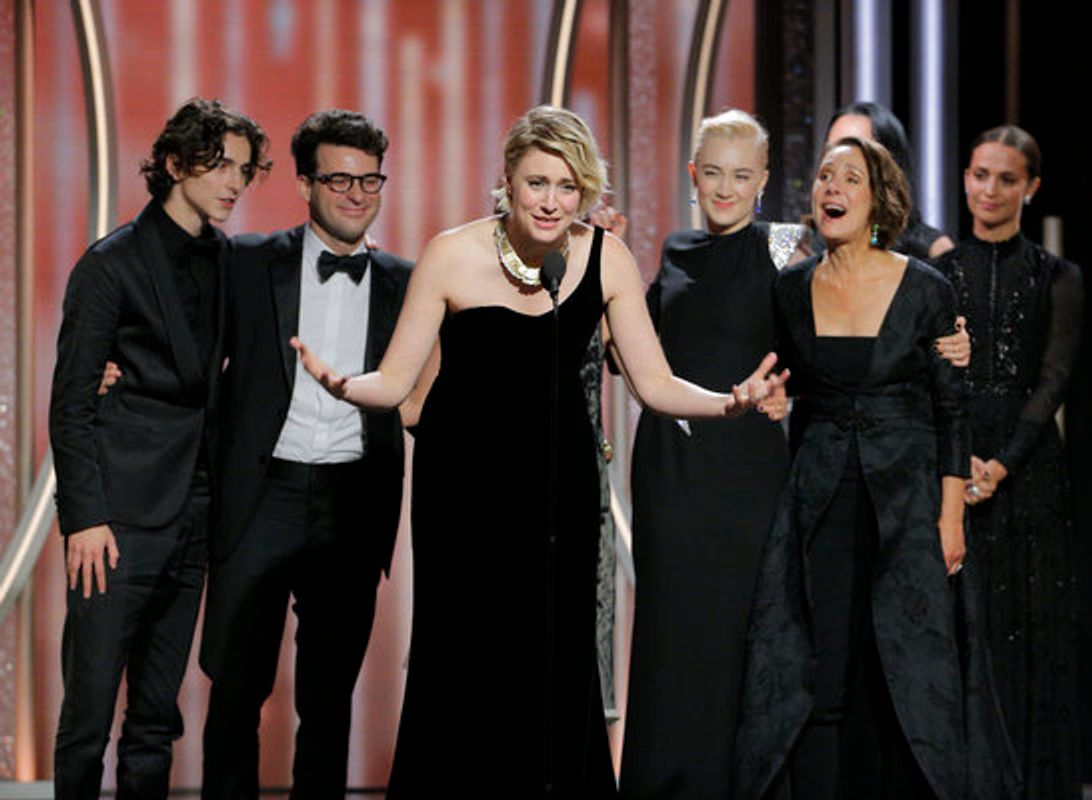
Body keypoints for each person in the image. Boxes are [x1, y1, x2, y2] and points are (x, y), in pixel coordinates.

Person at [292, 105, 785, 797]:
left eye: (566, 186)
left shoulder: (603, 257)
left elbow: (654, 381)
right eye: (536, 183)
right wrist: (344, 386)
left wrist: (728, 401)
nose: (551, 201)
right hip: (459, 492)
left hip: (558, 490)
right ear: (507, 182)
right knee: (461, 661)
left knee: (552, 658)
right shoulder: (451, 253)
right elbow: (397, 380)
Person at [734, 136, 1019, 800]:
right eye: (825, 177)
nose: (832, 188)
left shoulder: (926, 287)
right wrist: (773, 399)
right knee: (821, 664)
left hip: (908, 505)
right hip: (819, 501)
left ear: (878, 200)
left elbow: (953, 412)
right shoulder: (790, 288)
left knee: (904, 670)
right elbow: (786, 384)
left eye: (850, 178)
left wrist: (951, 520)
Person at [49, 98, 268, 800]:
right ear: (174, 165)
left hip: (193, 518)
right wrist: (84, 517)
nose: (235, 182)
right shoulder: (111, 264)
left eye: (243, 169)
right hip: (115, 520)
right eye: (219, 166)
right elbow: (70, 402)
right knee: (87, 712)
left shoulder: (231, 262)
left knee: (155, 715)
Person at [199, 109, 414, 799]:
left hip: (354, 503)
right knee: (236, 690)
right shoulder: (245, 261)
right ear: (303, 185)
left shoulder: (407, 281)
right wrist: (115, 369)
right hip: (261, 495)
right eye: (339, 178)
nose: (357, 193)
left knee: (327, 701)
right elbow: (182, 340)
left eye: (369, 179)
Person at [618, 109, 801, 800]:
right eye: (714, 173)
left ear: (763, 181)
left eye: (742, 175)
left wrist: (793, 397)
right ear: (693, 175)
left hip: (749, 472)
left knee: (742, 629)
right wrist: (600, 257)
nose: (726, 188)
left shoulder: (787, 247)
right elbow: (626, 351)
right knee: (673, 630)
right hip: (672, 468)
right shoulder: (675, 248)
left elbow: (821, 344)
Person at [933, 125, 1083, 799]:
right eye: (980, 174)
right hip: (953, 473)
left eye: (1006, 178)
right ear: (965, 178)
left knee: (1034, 639)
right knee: (967, 640)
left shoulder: (1059, 276)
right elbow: (932, 377)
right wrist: (962, 461)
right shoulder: (938, 274)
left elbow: (1054, 381)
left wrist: (1002, 466)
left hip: (1028, 479)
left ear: (1031, 189)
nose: (989, 189)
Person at [825, 101, 955, 258]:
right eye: (832, 150)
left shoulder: (932, 250)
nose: (838, 161)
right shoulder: (807, 246)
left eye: (855, 150)